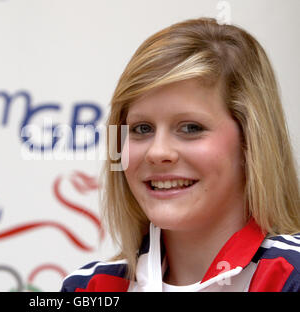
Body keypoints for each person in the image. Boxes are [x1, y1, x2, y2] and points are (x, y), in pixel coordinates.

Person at [60, 17, 300, 292]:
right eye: (141, 128)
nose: (158, 152)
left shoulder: (289, 277)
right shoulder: (88, 288)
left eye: (190, 127)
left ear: (250, 141)